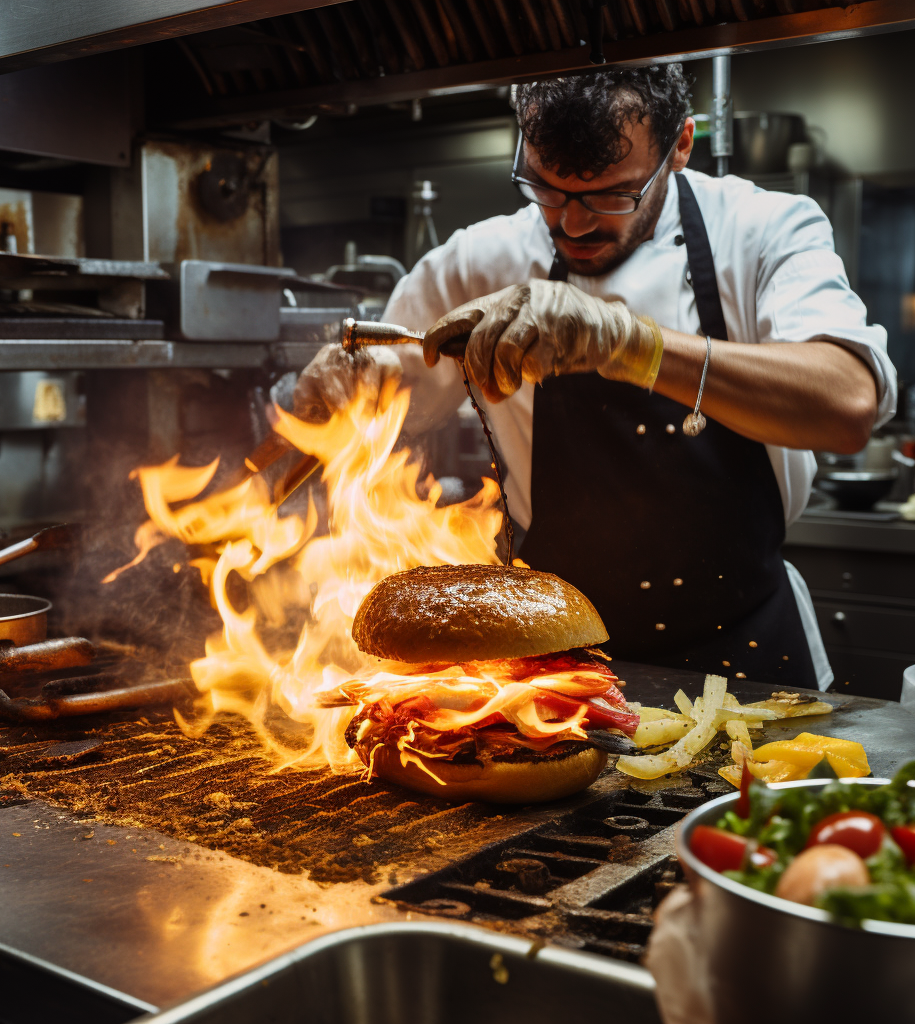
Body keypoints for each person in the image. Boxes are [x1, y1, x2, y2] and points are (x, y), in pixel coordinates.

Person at [295, 65, 897, 690]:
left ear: (681, 146)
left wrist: (629, 343)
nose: (573, 223)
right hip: (553, 675)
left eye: (613, 195)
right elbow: (376, 412)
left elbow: (847, 401)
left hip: (749, 657)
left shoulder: (762, 229)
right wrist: (341, 392)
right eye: (546, 190)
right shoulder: (477, 261)